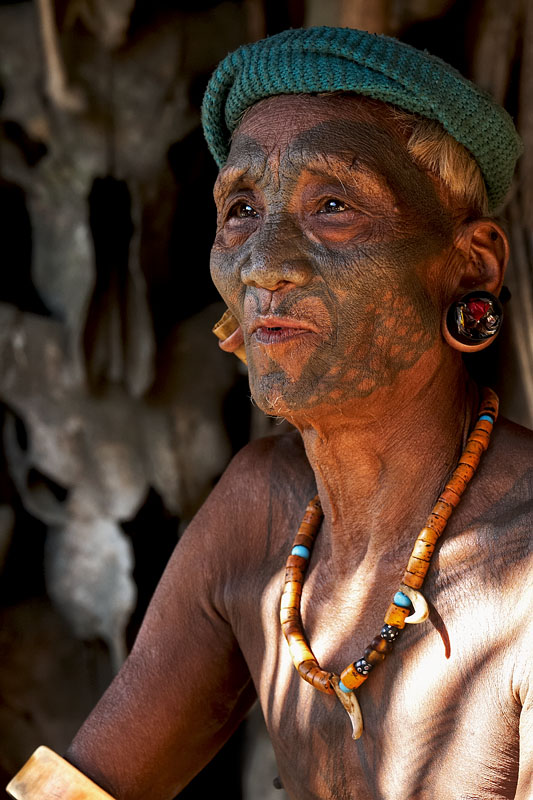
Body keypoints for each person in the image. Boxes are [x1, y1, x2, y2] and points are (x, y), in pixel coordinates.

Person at [7, 26, 533, 800]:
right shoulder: (259, 515)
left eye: (333, 206)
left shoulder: (520, 572)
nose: (263, 264)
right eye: (242, 210)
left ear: (470, 265)